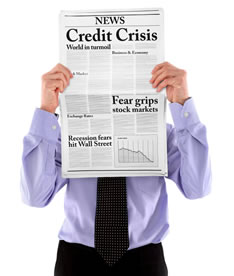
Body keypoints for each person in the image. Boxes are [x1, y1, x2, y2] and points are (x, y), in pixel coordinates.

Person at [20, 61, 212, 276]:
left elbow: (197, 188)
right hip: (76, 260)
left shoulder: (162, 135)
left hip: (145, 261)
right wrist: (46, 111)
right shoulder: (67, 136)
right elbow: (36, 196)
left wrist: (183, 104)